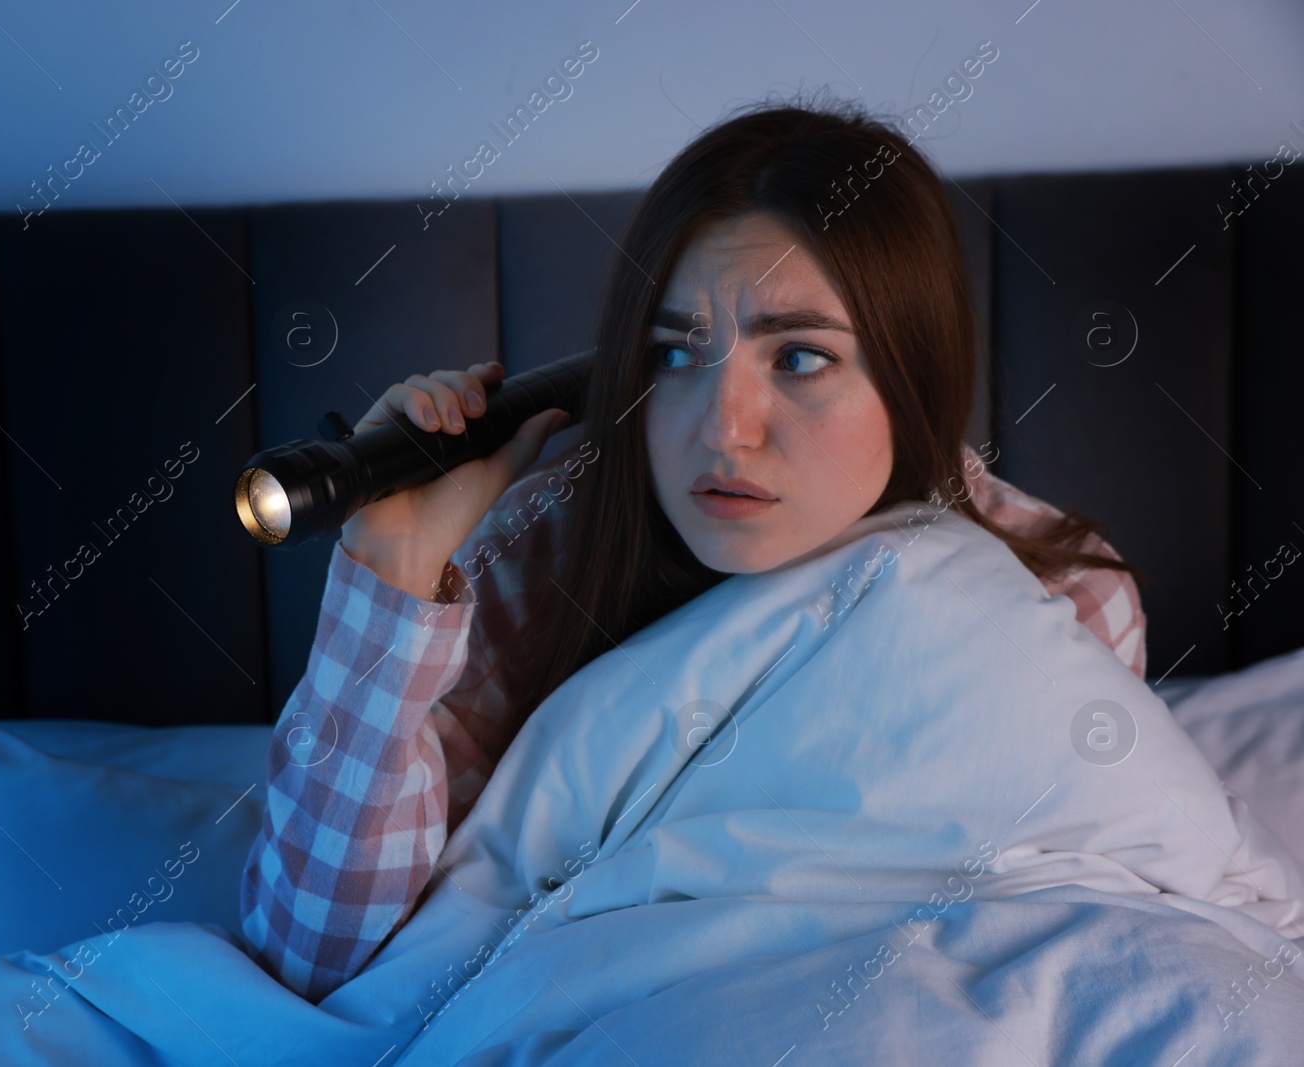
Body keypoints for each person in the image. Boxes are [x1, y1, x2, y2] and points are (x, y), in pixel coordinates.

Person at [237, 98, 1148, 1004]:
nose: (723, 428)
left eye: (798, 358)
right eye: (675, 355)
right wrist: (391, 568)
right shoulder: (535, 564)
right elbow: (306, 950)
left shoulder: (1060, 597)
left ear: (916, 374)